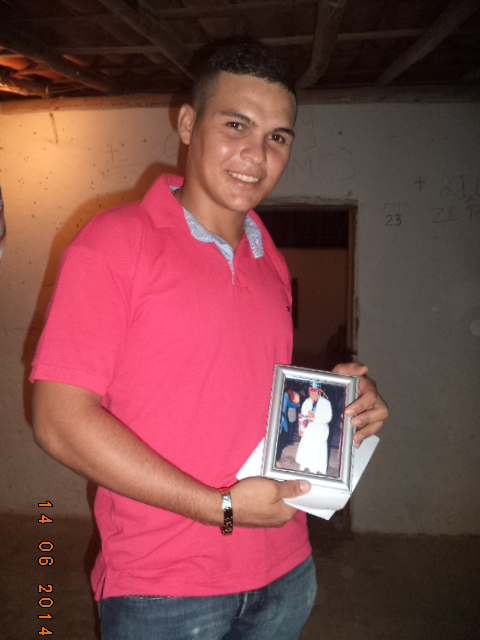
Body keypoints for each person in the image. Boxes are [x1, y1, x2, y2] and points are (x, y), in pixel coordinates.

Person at [31, 40, 388, 640]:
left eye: (278, 137)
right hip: (163, 588)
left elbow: (242, 390)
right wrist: (221, 507)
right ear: (188, 124)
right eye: (236, 125)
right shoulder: (114, 242)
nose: (257, 155)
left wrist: (340, 402)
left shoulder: (270, 257)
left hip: (286, 569)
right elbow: (58, 420)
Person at [296, 385, 332, 474]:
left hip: (319, 431)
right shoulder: (307, 402)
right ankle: (304, 465)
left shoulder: (326, 403)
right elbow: (302, 416)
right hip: (308, 430)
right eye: (310, 393)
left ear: (318, 393)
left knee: (316, 450)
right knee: (306, 448)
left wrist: (315, 417)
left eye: (313, 394)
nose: (311, 395)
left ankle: (314, 468)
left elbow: (328, 418)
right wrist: (301, 429)